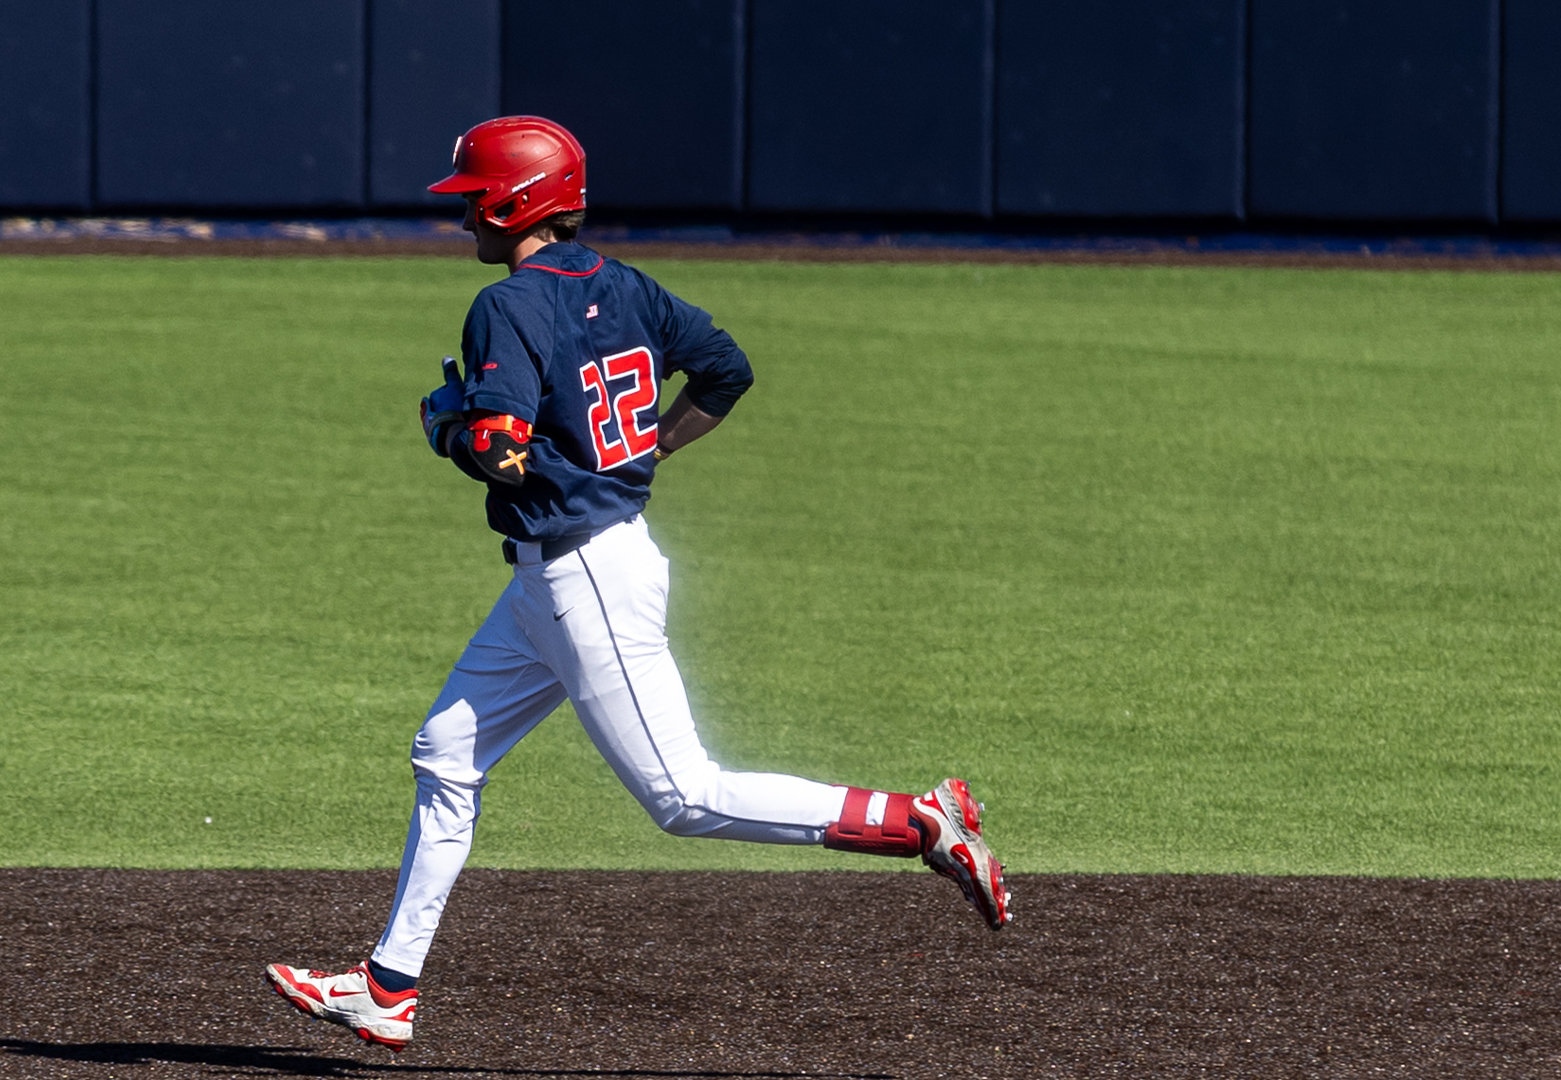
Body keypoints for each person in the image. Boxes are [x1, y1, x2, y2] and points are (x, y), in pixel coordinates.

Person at [263, 116, 1011, 1053]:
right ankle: (387, 988)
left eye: (471, 203)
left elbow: (499, 452)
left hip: (585, 578)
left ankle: (918, 821)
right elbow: (726, 370)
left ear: (512, 203)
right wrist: (651, 441)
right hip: (570, 573)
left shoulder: (508, 305)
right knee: (446, 753)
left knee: (683, 797)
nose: (462, 223)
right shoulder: (625, 285)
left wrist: (444, 429)